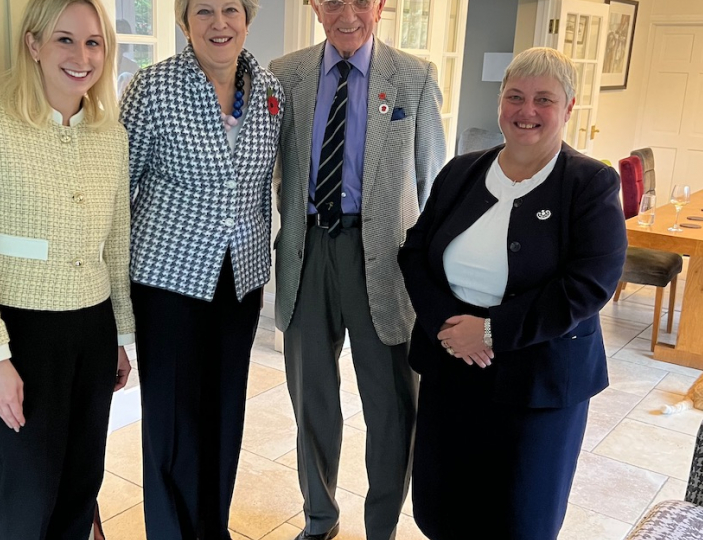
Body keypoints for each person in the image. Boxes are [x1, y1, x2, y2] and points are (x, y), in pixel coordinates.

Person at [398, 47, 628, 540]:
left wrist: (490, 330)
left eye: (544, 99)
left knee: (519, 517)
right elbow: (414, 252)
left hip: (539, 378)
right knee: (443, 505)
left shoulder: (590, 184)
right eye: (515, 97)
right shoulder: (461, 171)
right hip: (452, 362)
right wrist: (449, 326)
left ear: (568, 108)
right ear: (500, 103)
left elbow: (589, 284)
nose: (527, 111)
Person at [0, 0, 134, 538]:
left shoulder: (110, 137)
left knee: (80, 487)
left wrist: (119, 336)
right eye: (64, 39)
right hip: (17, 337)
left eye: (93, 42)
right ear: (34, 45)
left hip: (91, 332)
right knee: (27, 498)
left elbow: (116, 246)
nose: (81, 55)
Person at [269, 1, 446, 539]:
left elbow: (433, 184)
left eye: (361, 1)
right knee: (312, 402)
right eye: (334, 1)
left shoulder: (414, 78)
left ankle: (381, 529)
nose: (348, 14)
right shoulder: (285, 75)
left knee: (391, 409)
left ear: (381, 5)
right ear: (316, 7)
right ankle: (319, 520)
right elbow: (267, 165)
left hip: (385, 261)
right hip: (308, 254)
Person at [119, 0, 283, 538]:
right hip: (169, 280)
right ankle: (170, 530)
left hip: (240, 280)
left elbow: (262, 188)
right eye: (203, 11)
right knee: (172, 421)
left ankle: (212, 527)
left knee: (223, 414)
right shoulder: (153, 87)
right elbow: (121, 188)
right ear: (183, 22)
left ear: (247, 18)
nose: (219, 24)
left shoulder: (271, 91)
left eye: (230, 9)